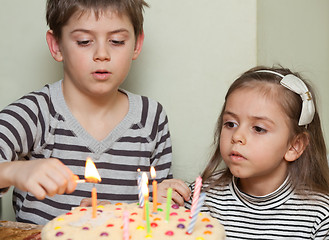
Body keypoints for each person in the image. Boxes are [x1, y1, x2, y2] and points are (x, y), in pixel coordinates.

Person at [0, 0, 189, 225]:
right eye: (84, 41)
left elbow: (154, 216)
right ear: (56, 46)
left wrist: (160, 202)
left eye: (117, 41)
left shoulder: (151, 118)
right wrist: (13, 171)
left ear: (137, 44)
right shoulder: (36, 113)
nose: (102, 54)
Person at [185, 66, 329, 239]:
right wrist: (159, 205)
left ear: (294, 146)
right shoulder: (199, 198)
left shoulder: (320, 216)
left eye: (258, 129)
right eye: (230, 124)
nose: (237, 136)